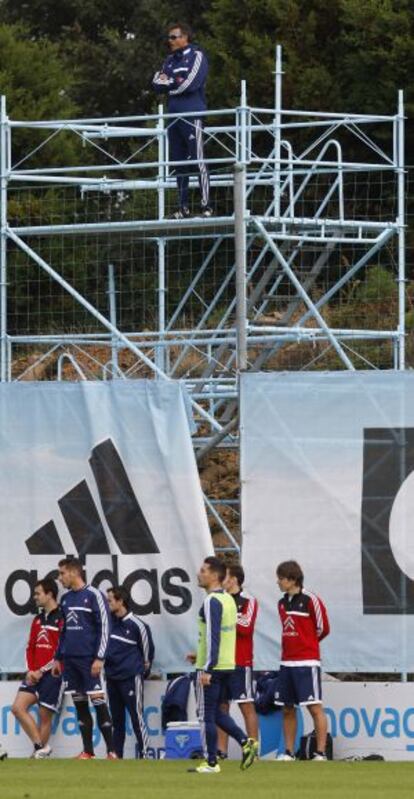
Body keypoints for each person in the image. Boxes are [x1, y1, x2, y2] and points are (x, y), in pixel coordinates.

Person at [186, 556, 256, 774]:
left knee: (205, 714)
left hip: (212, 667)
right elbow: (223, 636)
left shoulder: (211, 601)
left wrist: (207, 667)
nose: (199, 573)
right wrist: (201, 655)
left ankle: (211, 762)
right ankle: (246, 742)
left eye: (203, 570)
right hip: (227, 664)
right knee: (216, 712)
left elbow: (213, 635)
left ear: (215, 576)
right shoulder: (228, 600)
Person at [51, 557, 117, 760]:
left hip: (89, 661)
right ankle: (88, 751)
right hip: (70, 662)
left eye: (62, 573)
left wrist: (100, 657)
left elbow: (105, 628)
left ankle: (112, 752)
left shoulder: (94, 595)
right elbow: (64, 631)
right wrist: (57, 657)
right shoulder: (66, 599)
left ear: (73, 572)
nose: (59, 578)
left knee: (98, 702)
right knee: (80, 705)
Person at [152, 22, 212, 219]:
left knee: (197, 158)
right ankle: (182, 207)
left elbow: (191, 83)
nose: (170, 41)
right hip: (173, 116)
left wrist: (170, 85)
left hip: (192, 114)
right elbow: (156, 82)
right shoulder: (169, 60)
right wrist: (170, 83)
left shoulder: (197, 55)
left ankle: (206, 206)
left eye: (173, 37)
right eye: (169, 37)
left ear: (185, 37)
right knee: (178, 162)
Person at [275, 560, 330, 761]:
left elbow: (323, 628)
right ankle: (288, 752)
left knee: (315, 707)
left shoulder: (311, 600)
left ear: (292, 579)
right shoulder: (281, 603)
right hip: (286, 663)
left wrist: (308, 645)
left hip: (307, 663)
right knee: (287, 708)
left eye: (281, 578)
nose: (278, 582)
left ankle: (320, 753)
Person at [12, 578, 64, 759]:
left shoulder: (62, 617)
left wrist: (43, 670)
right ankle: (41, 747)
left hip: (54, 675)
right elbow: (30, 647)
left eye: (38, 593)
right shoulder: (38, 619)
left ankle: (37, 756)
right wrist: (31, 670)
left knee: (44, 716)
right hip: (34, 675)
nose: (35, 597)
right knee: (17, 708)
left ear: (49, 594)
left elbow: (62, 651)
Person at [105, 586, 154, 759]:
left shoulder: (138, 625)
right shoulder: (108, 622)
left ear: (120, 601)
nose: (107, 602)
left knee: (136, 716)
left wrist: (140, 673)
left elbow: (148, 656)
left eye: (110, 599)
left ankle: (146, 753)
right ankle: (116, 754)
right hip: (111, 678)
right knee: (116, 720)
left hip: (130, 678)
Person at [217, 564, 259, 758]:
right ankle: (221, 751)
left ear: (233, 579)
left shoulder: (248, 600)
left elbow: (246, 627)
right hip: (221, 662)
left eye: (224, 576)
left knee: (246, 705)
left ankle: (252, 750)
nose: (221, 579)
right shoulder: (219, 599)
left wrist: (226, 616)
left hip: (241, 662)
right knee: (222, 707)